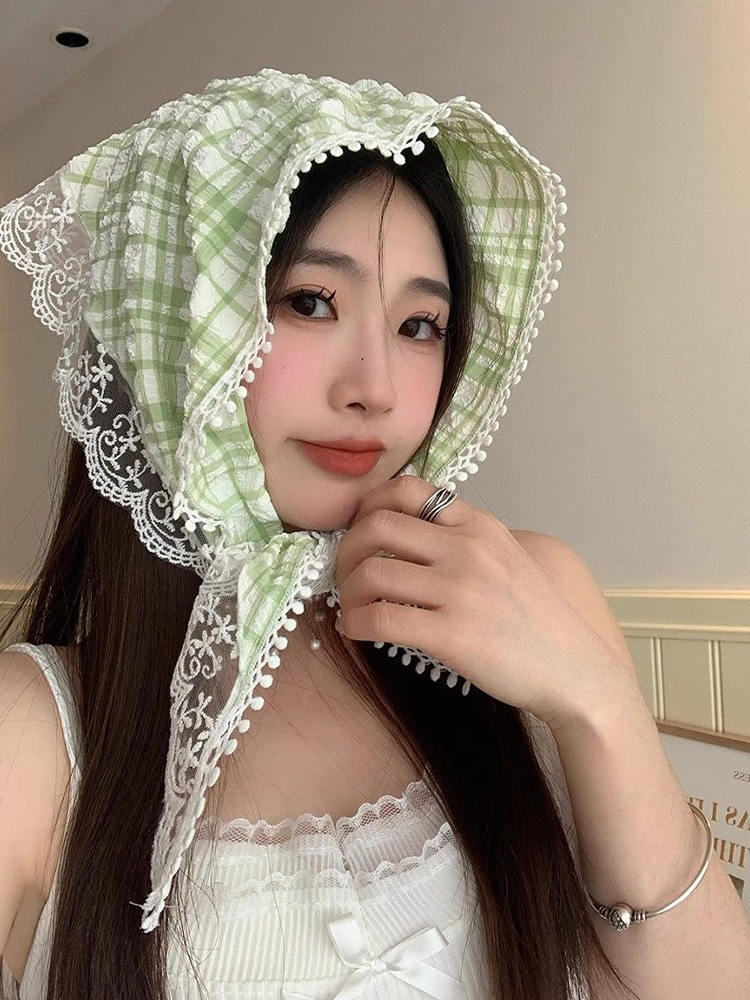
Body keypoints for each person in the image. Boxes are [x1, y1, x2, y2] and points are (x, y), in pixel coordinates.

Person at [0, 68, 635, 1000]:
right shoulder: (32, 733)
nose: (376, 387)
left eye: (420, 324)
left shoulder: (533, 593)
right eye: (309, 302)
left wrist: (600, 707)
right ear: (171, 331)